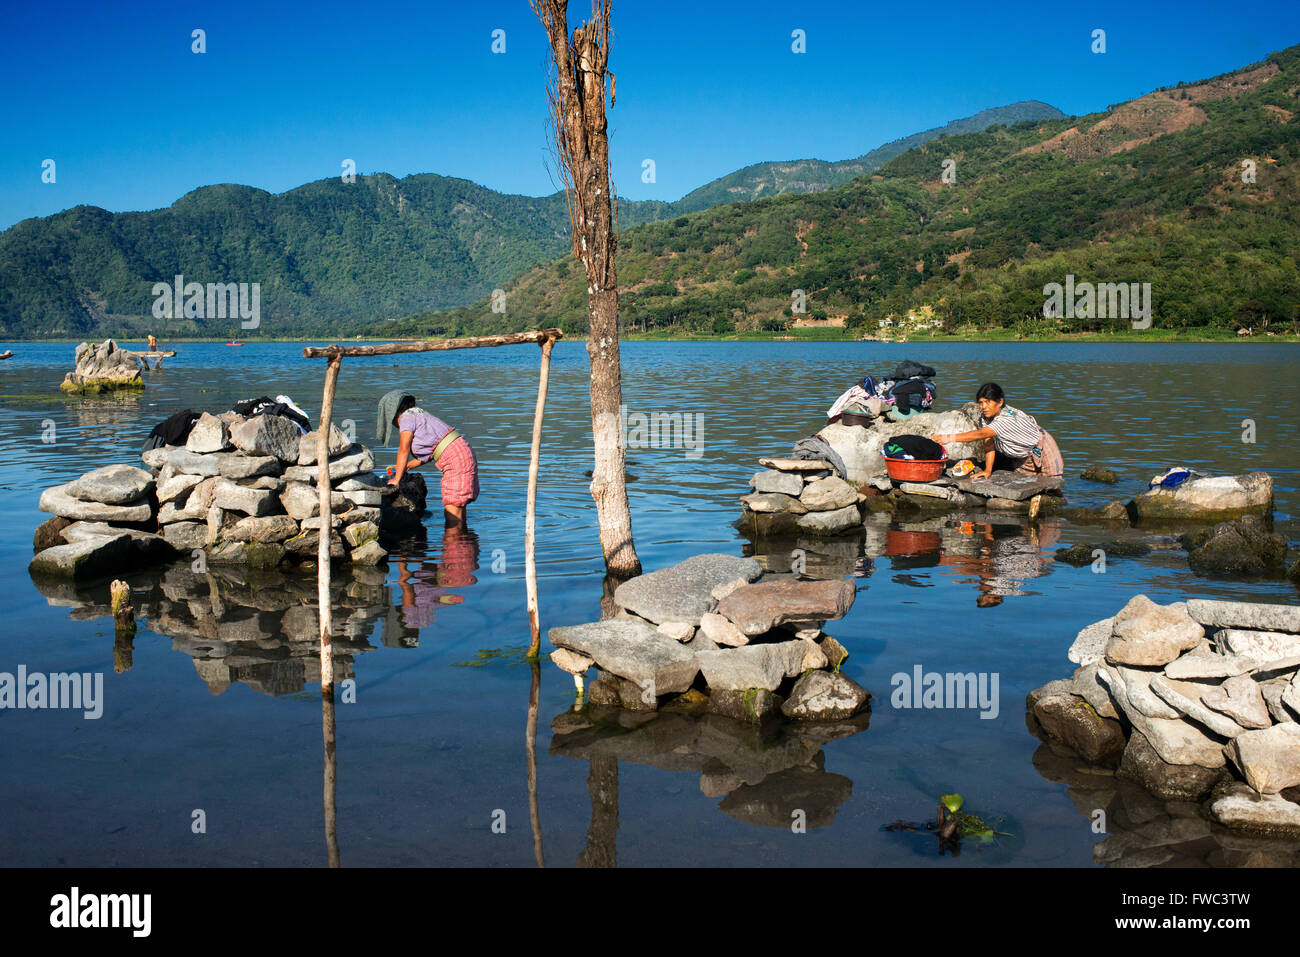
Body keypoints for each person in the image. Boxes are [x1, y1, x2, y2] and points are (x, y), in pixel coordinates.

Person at [376, 390, 479, 526]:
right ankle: (462, 541)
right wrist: (404, 467)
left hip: (455, 458)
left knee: (452, 510)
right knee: (457, 508)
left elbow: (403, 449)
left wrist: (397, 479)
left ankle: (455, 543)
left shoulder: (406, 417)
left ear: (393, 413)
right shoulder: (417, 414)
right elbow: (426, 456)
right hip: (461, 453)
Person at [931, 382, 1063, 480]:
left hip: (1042, 447)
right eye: (981, 403)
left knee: (1054, 486)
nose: (983, 407)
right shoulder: (986, 418)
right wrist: (988, 470)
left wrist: (948, 438)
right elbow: (989, 442)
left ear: (1000, 402)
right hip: (1022, 456)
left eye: (988, 402)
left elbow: (981, 434)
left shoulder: (1005, 419)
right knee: (1028, 486)